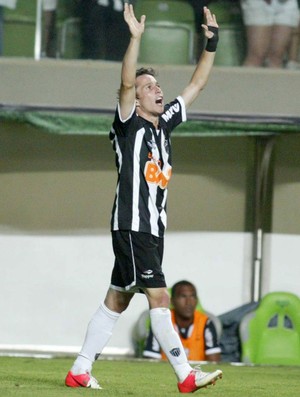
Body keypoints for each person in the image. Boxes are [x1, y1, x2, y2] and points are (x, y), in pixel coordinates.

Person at [65, 2, 222, 393]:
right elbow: (123, 83)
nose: (157, 89)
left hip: (151, 229)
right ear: (135, 99)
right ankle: (186, 375)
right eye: (148, 86)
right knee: (159, 295)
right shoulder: (128, 123)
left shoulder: (164, 125)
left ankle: (80, 370)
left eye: (157, 85)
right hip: (132, 225)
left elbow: (197, 85)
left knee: (116, 301)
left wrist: (212, 43)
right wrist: (134, 39)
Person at [143, 280, 221, 362]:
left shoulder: (206, 323)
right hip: (167, 373)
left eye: (193, 297)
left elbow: (214, 363)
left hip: (199, 372)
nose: (189, 302)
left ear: (197, 300)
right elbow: (151, 362)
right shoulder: (161, 322)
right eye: (183, 297)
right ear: (172, 301)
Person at [240, 0, 300, 68]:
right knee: (257, 55)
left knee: (277, 56)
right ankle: (247, 78)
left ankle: (272, 78)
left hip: (286, 3)